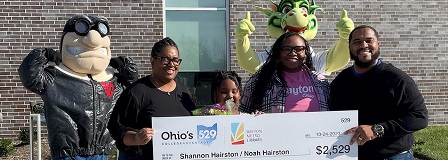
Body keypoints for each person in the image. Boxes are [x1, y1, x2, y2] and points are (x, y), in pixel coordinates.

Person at [18, 15, 138, 160]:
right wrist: (44, 54)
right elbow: (29, 75)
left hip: (100, 152)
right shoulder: (55, 77)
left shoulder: (111, 80)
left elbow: (132, 87)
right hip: (67, 153)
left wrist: (124, 64)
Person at [330, 25, 428, 160]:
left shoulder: (397, 79)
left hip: (393, 156)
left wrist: (377, 130)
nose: (364, 45)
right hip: (351, 155)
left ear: (378, 44)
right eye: (357, 42)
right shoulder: (341, 81)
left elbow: (419, 118)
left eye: (369, 40)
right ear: (350, 47)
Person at [107, 37, 196, 160]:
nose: (171, 64)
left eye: (175, 60)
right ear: (152, 61)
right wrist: (135, 138)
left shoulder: (184, 92)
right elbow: (116, 128)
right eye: (165, 59)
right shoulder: (137, 92)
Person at [239, 32, 330, 113]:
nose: (293, 53)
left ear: (305, 53)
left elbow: (334, 115)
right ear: (278, 52)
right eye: (286, 49)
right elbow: (242, 114)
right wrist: (254, 118)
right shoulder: (261, 80)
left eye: (298, 49)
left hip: (314, 132)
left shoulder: (320, 82)